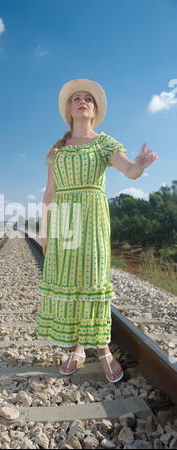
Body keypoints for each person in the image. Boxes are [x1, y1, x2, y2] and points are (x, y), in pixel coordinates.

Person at [37, 78, 158, 382]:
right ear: (69, 110)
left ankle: (102, 348)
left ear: (93, 110)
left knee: (93, 278)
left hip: (92, 217)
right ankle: (77, 348)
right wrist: (44, 230)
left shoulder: (105, 143)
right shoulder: (57, 150)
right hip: (64, 216)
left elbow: (129, 170)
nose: (82, 101)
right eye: (76, 98)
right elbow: (49, 194)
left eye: (87, 99)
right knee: (69, 278)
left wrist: (140, 164)